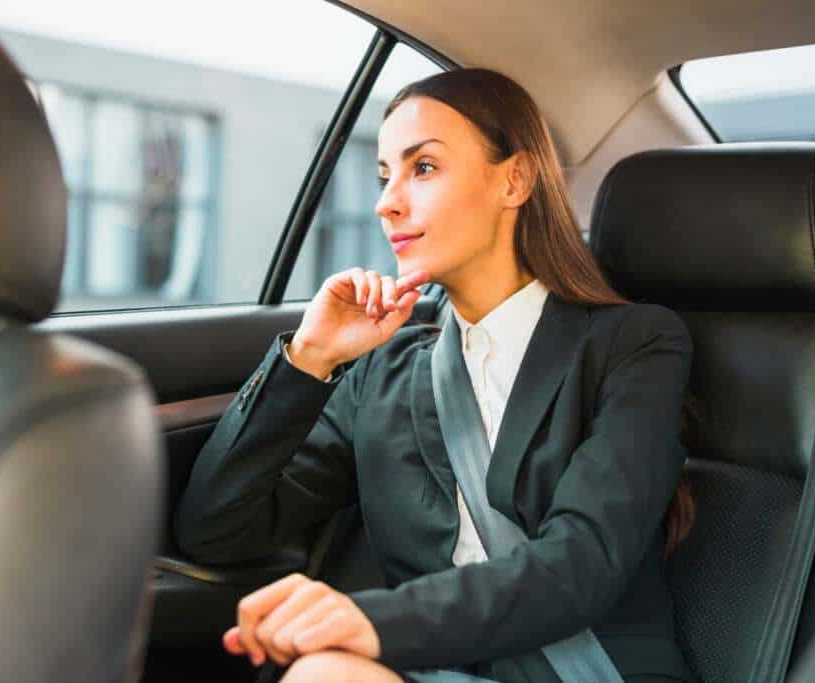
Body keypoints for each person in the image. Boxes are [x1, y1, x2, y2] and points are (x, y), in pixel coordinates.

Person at [176, 67, 696, 682]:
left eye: (422, 168)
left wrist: (369, 622)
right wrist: (310, 357)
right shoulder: (385, 370)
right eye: (384, 176)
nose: (386, 200)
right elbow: (216, 530)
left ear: (515, 180)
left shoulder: (633, 344)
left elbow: (583, 561)